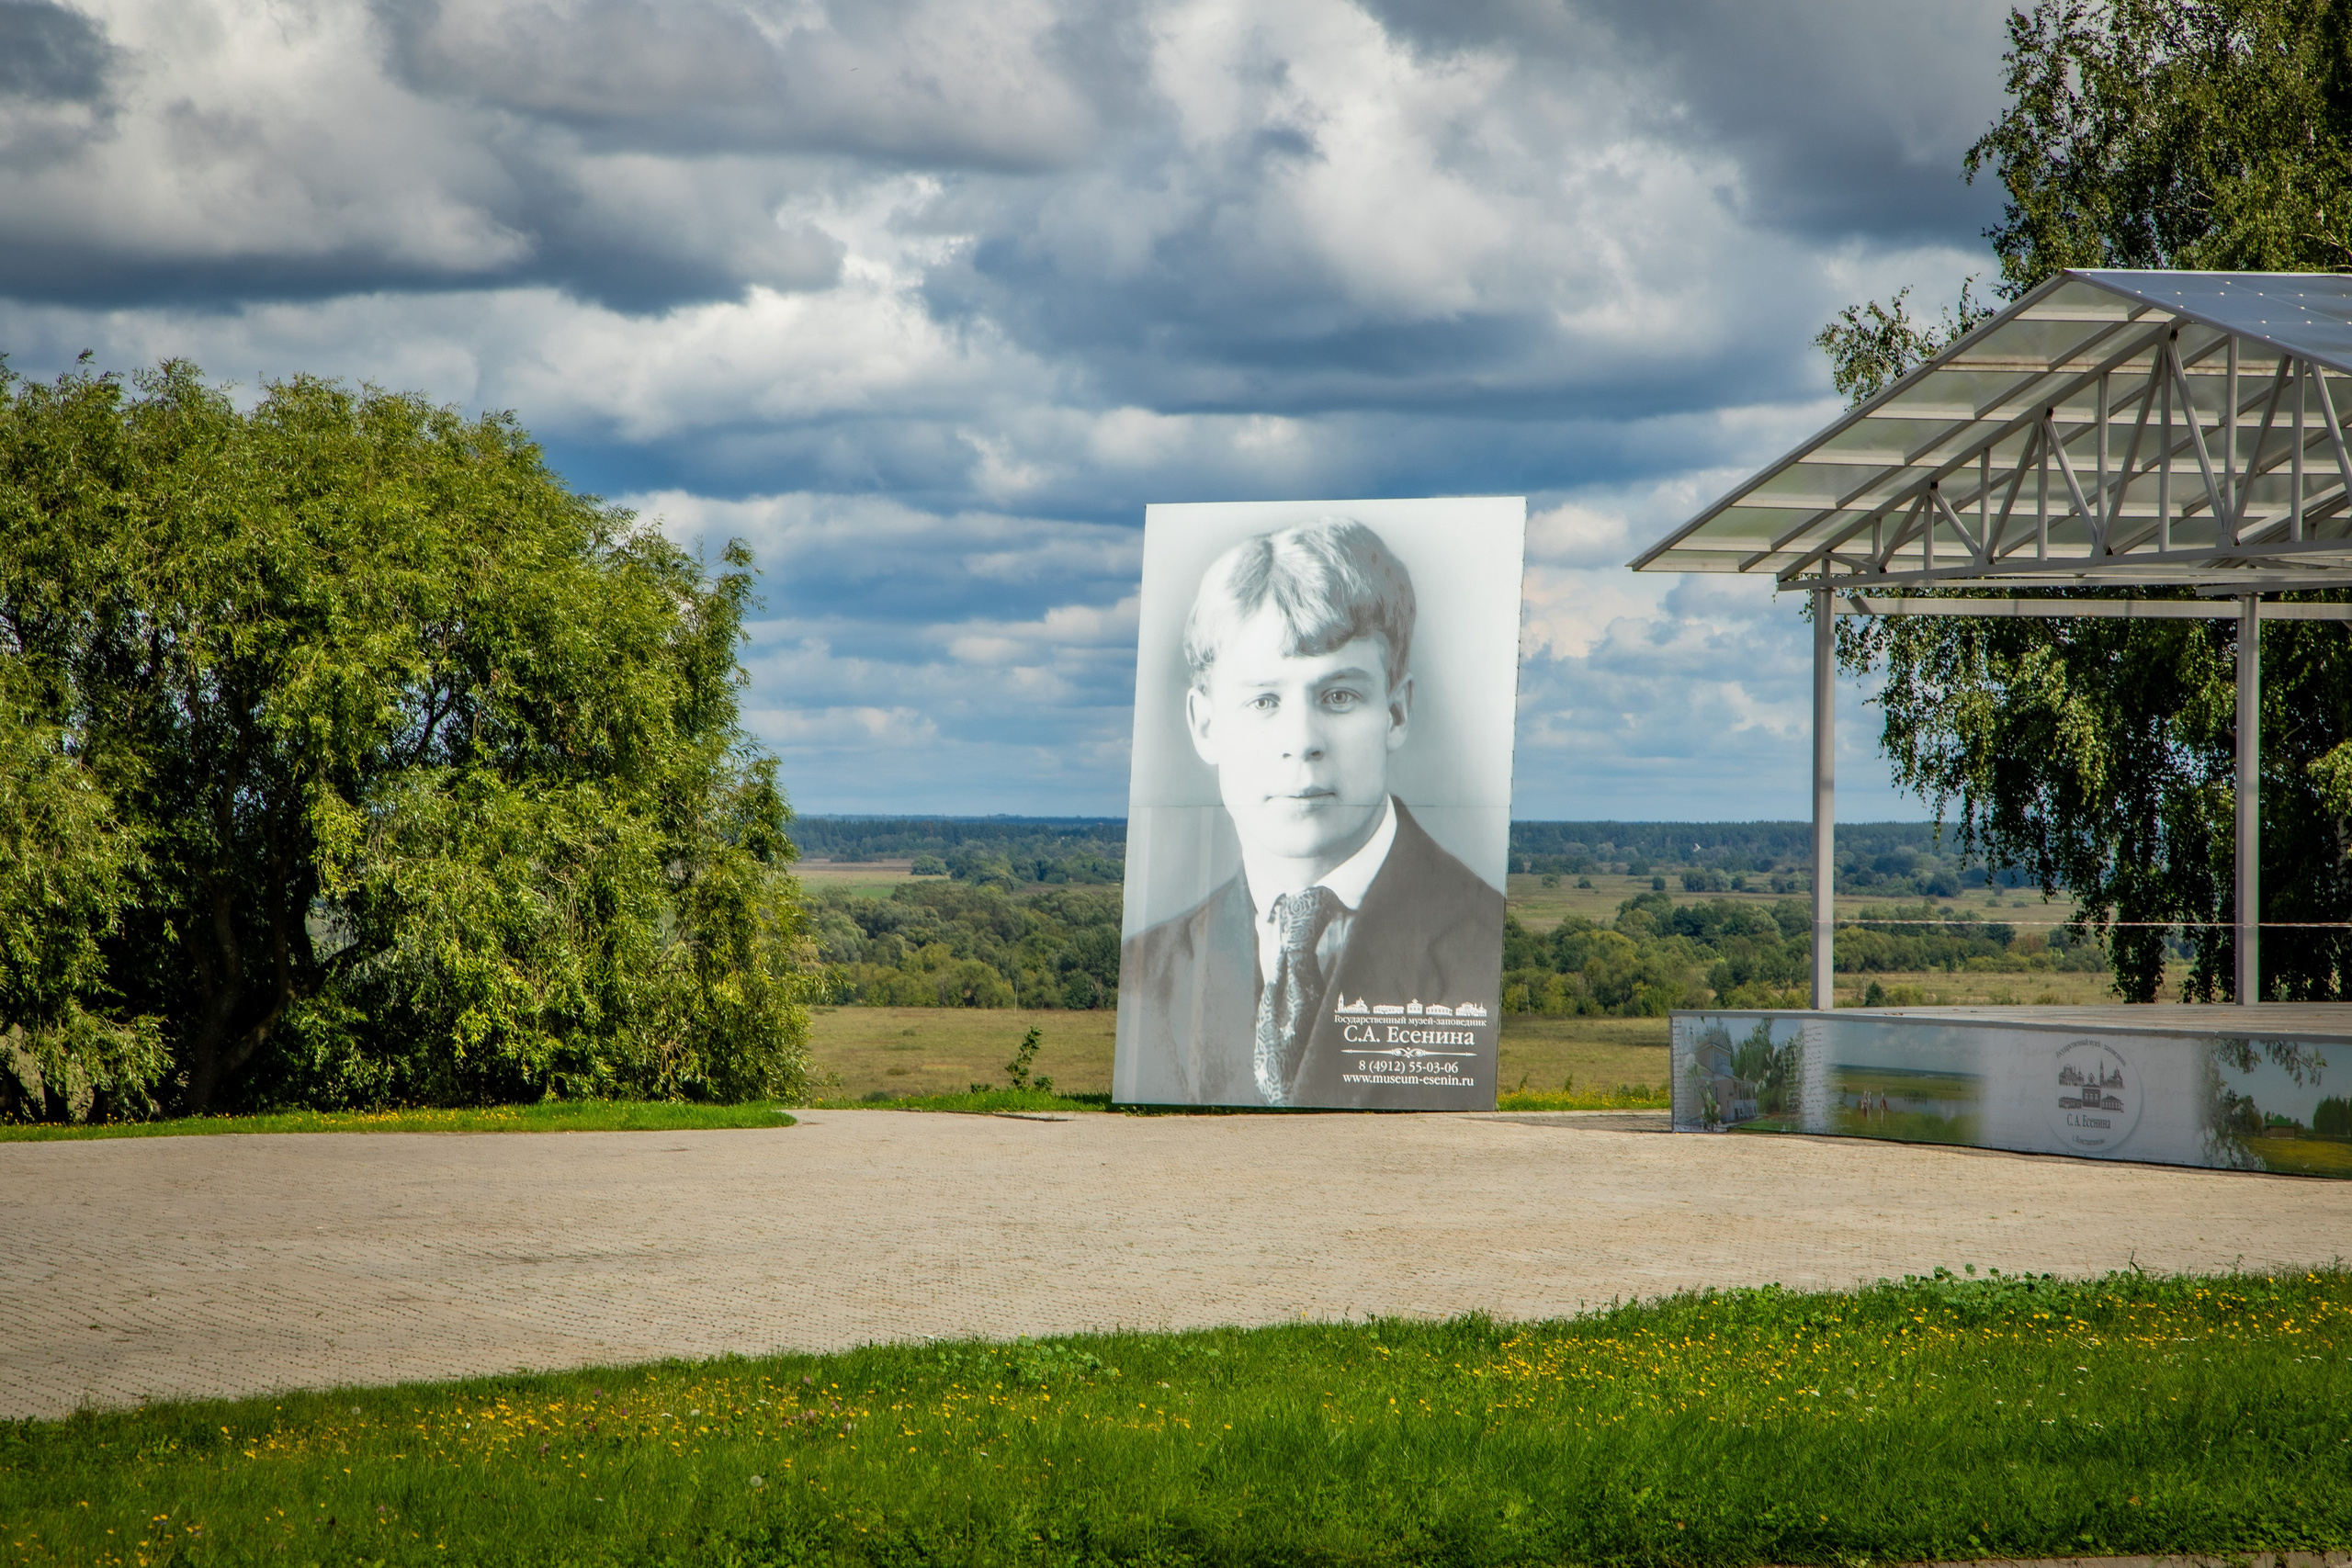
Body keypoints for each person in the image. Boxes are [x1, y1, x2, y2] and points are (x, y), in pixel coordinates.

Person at [1115, 517, 1505, 1108]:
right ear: (1205, 725)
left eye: (1339, 696)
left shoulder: (1484, 942)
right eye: (1264, 700)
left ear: (1396, 714)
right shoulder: (1147, 970)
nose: (1301, 740)